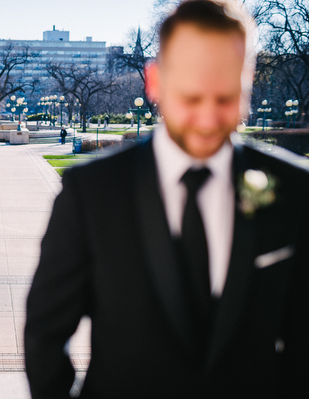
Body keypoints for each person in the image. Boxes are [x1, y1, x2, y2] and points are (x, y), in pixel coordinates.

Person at [25, 1, 309, 397]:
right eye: (192, 98)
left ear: (247, 82)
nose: (209, 119)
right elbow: (44, 334)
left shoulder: (296, 191)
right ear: (154, 82)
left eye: (226, 97)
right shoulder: (91, 193)